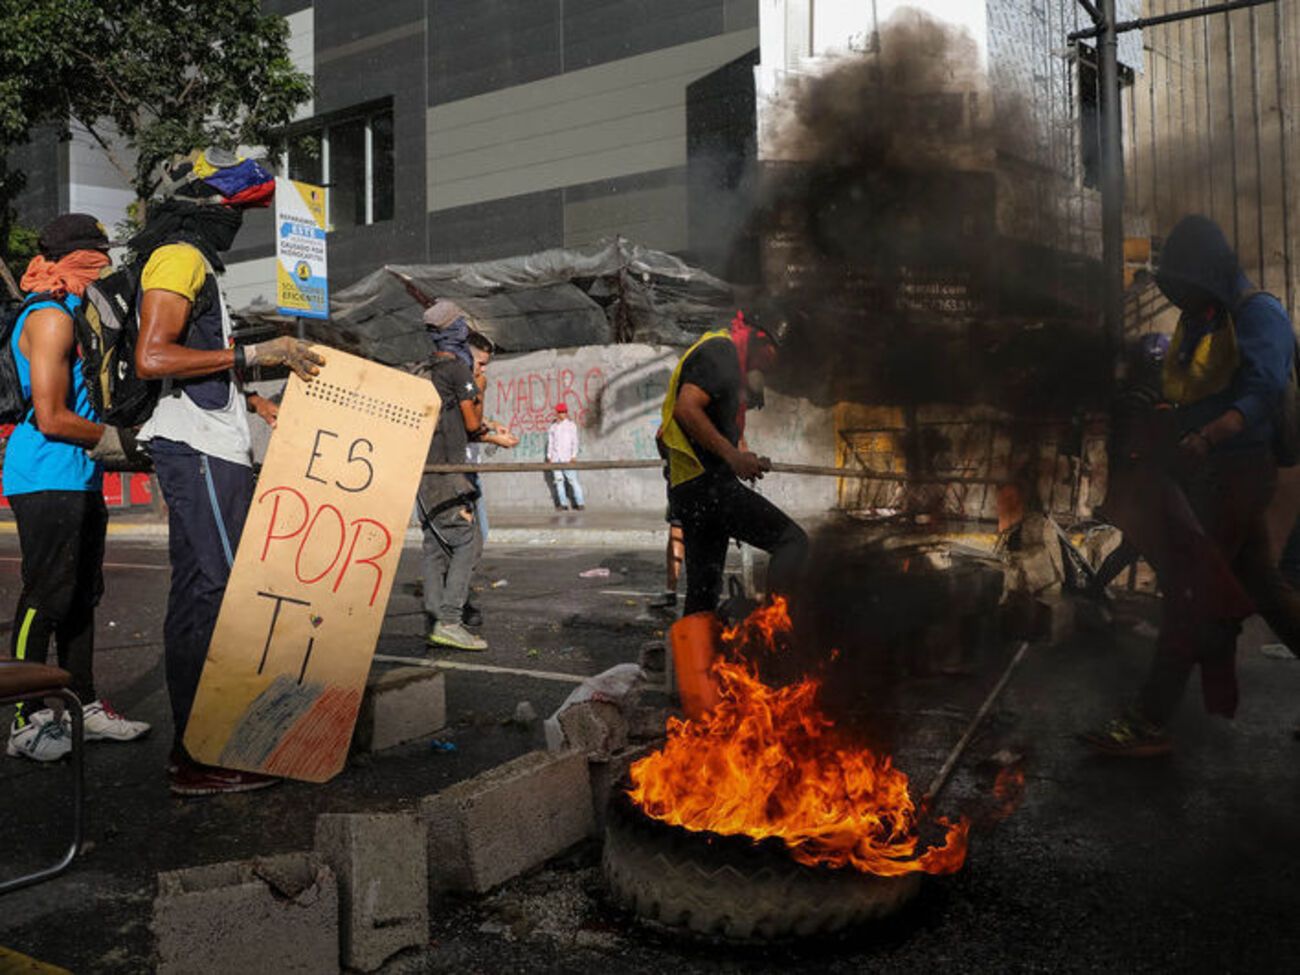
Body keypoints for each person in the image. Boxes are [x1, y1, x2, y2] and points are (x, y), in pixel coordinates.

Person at [132, 149, 324, 795]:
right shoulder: (179, 257)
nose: (233, 221)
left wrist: (255, 401)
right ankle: (202, 753)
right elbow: (153, 356)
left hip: (208, 442)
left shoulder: (191, 259)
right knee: (217, 592)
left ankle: (196, 747)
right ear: (198, 206)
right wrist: (256, 350)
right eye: (228, 207)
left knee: (197, 593)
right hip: (200, 448)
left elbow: (197, 360)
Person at [1083, 215, 1295, 756]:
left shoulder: (1259, 315)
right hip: (1210, 474)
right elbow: (1193, 386)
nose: (1179, 295)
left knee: (1191, 593)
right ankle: (1151, 717)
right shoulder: (1206, 319)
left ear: (1211, 272)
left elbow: (1263, 389)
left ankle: (1149, 722)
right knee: (1265, 590)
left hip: (1241, 474)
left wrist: (1211, 432)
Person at [4, 214, 150, 761]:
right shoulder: (49, 318)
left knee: (83, 597)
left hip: (79, 473)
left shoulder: (74, 311)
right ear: (74, 261)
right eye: (96, 257)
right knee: (46, 597)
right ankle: (25, 719)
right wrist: (125, 443)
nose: (106, 267)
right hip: (45, 473)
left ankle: (82, 706)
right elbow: (50, 416)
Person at [660, 308, 808, 617]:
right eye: (774, 353)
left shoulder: (731, 361)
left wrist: (744, 454)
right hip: (708, 485)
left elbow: (724, 426)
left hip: (693, 489)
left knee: (703, 593)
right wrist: (732, 456)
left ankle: (695, 663)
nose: (774, 363)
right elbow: (686, 410)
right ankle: (773, 630)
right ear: (759, 337)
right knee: (791, 541)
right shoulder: (721, 351)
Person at [418, 315, 491, 651]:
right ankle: (449, 619)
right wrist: (480, 389)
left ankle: (434, 619)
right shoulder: (457, 371)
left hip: (421, 471)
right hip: (448, 471)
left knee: (434, 545)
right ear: (455, 332)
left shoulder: (421, 370)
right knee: (467, 540)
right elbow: (472, 422)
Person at [547, 402, 584, 510]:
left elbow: (575, 441)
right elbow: (551, 442)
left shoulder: (571, 425)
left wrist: (574, 455)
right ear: (557, 413)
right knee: (559, 482)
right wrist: (549, 455)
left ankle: (580, 503)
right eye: (560, 412)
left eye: (564, 412)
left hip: (567, 458)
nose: (563, 414)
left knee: (573, 481)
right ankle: (563, 504)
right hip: (555, 458)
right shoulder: (553, 427)